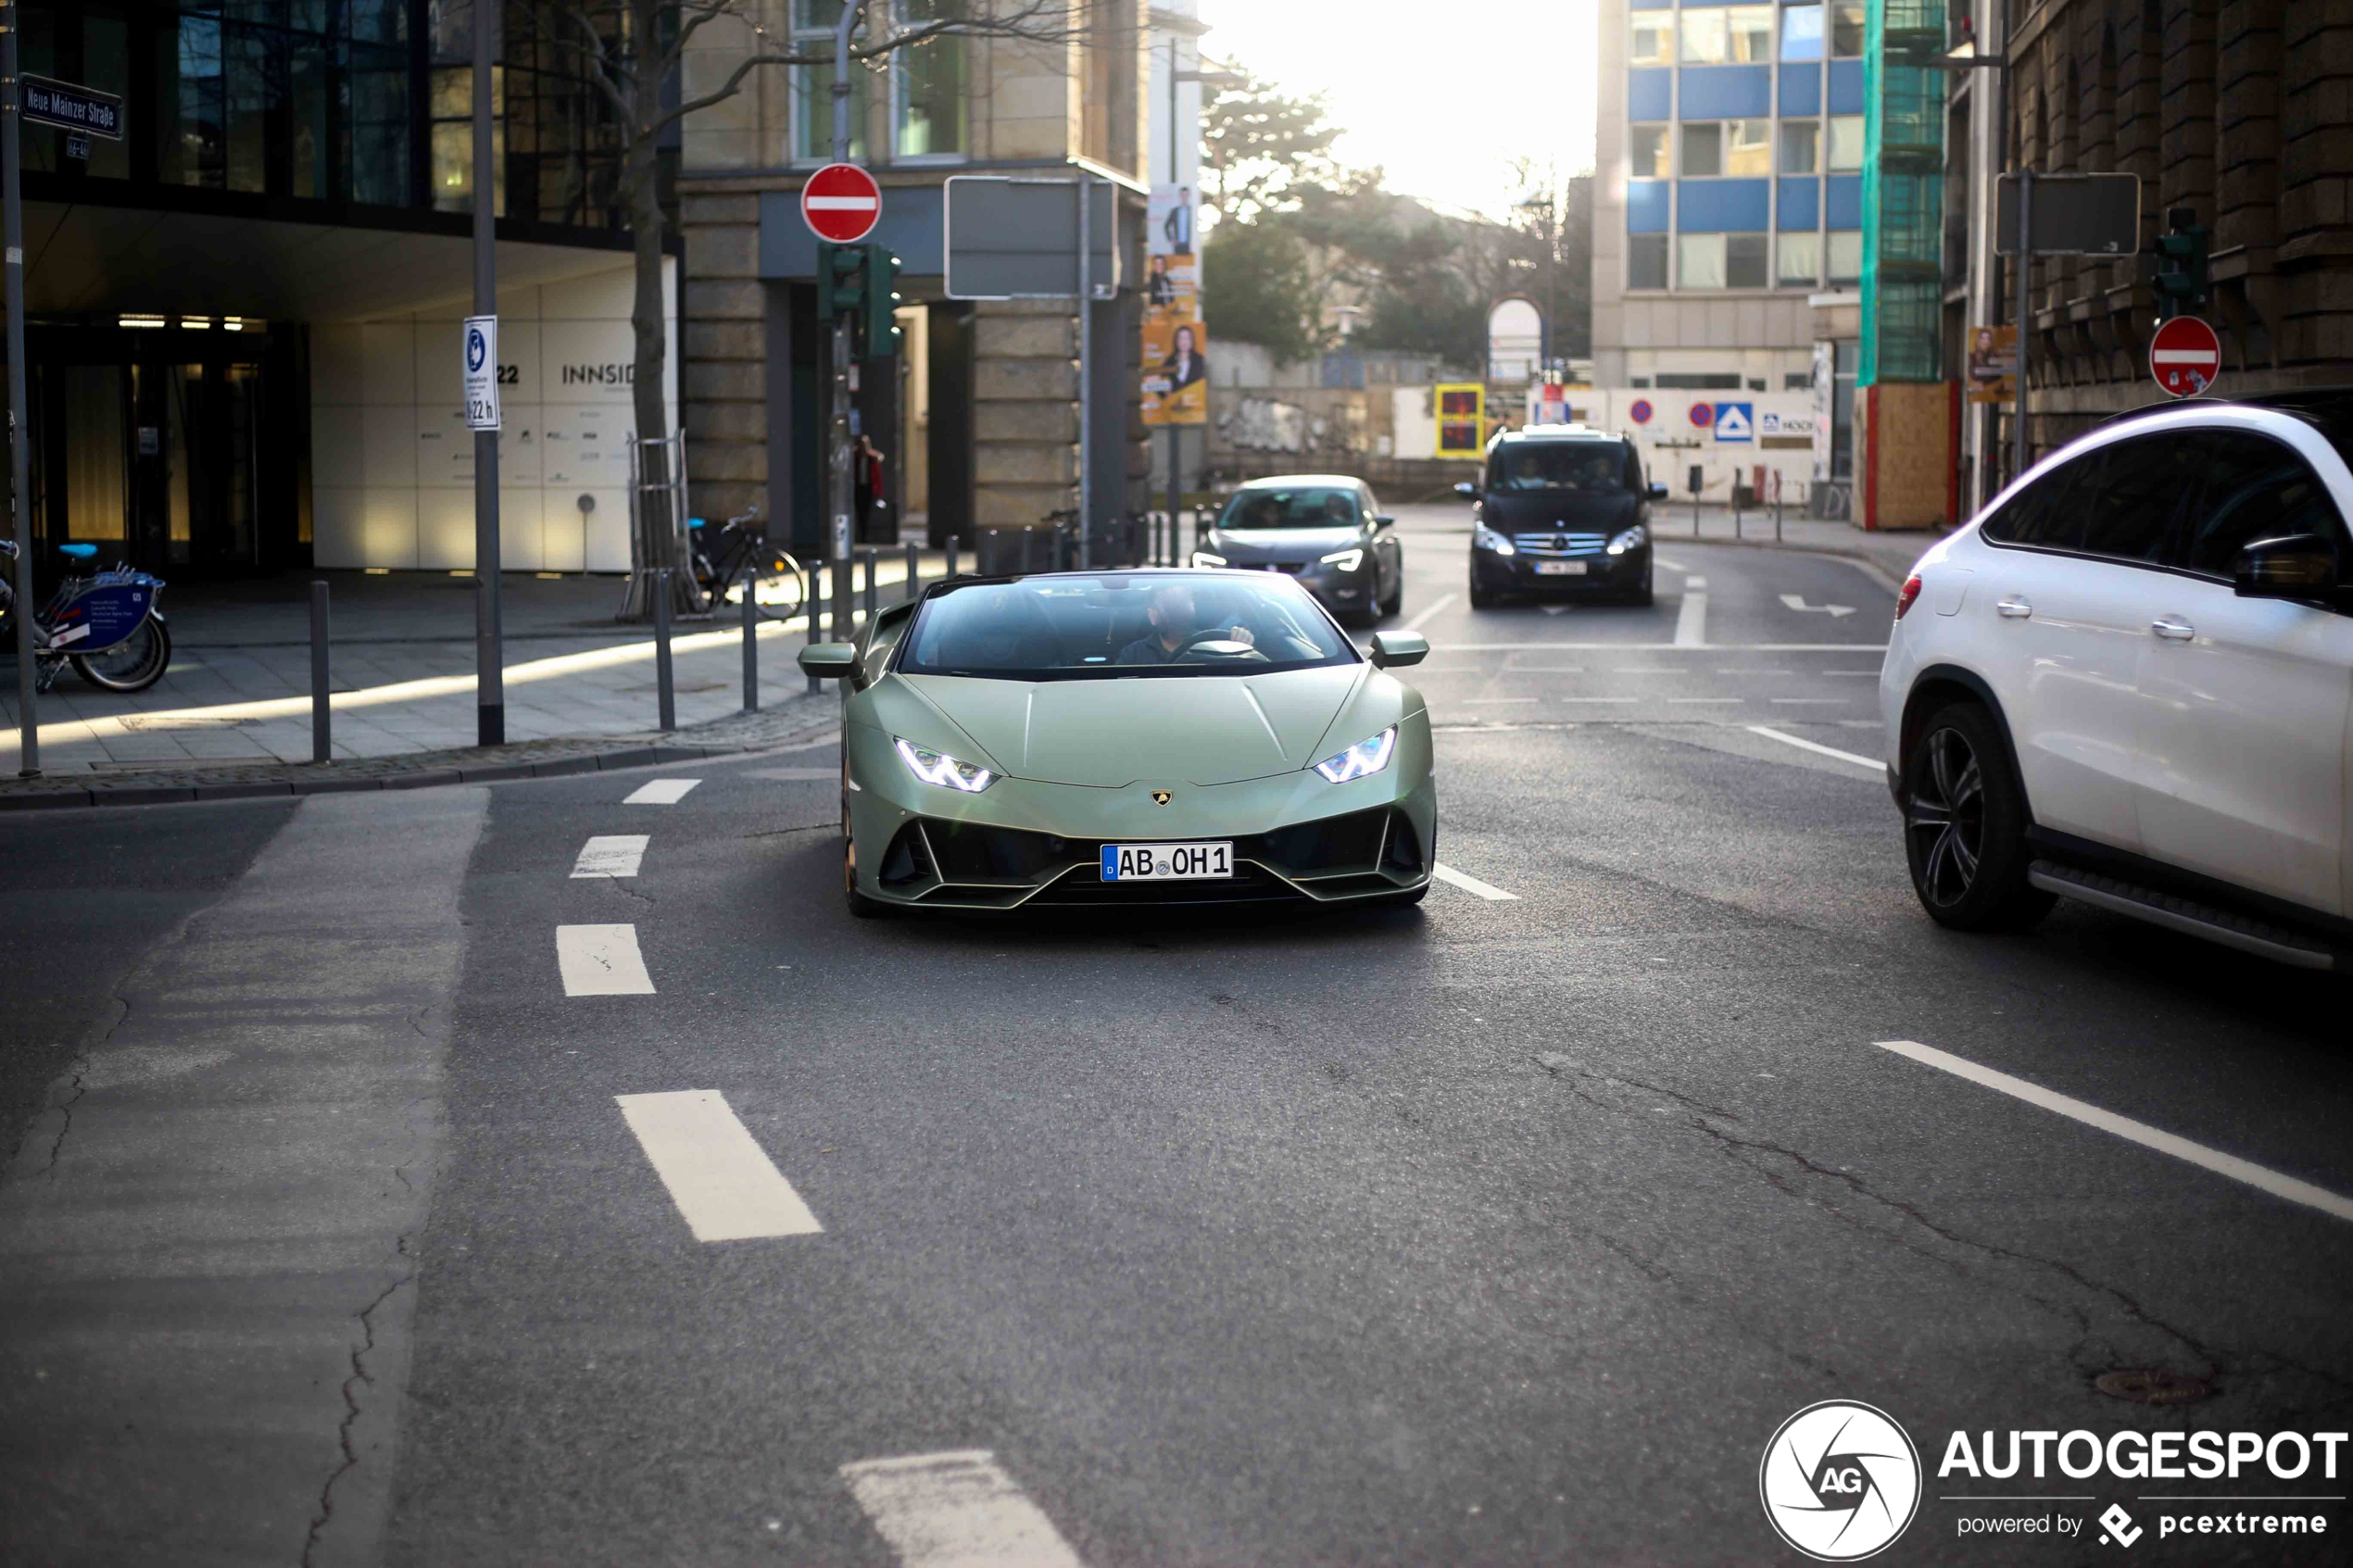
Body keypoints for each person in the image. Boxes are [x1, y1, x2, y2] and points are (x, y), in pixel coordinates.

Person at [1115, 581, 1254, 664]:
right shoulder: (1134, 654)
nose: (1178, 612)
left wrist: (1241, 641)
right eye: (1171, 605)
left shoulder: (1215, 646)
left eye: (1182, 603)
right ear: (1153, 615)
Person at [1164, 323, 1205, 389]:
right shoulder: (1170, 360)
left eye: (1187, 338)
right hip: (1174, 398)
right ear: (1176, 341)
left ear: (1192, 341)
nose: (1184, 341)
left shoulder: (1199, 360)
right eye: (1181, 338)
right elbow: (1159, 382)